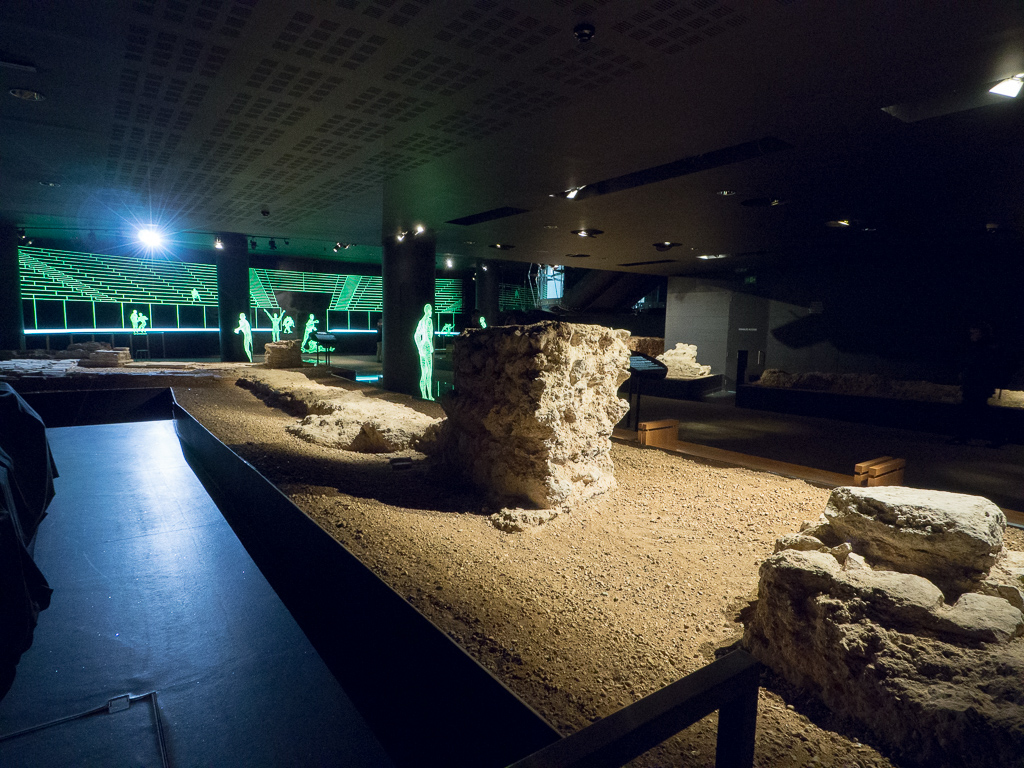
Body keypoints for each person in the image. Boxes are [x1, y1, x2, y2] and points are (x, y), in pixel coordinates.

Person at [955, 322, 1002, 445]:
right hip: (977, 384)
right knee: (976, 410)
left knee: (975, 410)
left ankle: (965, 436)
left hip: (978, 384)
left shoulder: (984, 349)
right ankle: (995, 437)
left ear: (981, 334)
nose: (972, 335)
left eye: (974, 332)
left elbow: (979, 367)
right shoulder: (984, 348)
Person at [414, 303, 434, 400]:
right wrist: (429, 346)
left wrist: (419, 346)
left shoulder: (421, 321)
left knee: (424, 372)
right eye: (431, 310)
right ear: (428, 310)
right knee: (428, 372)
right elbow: (428, 335)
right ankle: (428, 395)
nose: (431, 312)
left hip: (422, 347)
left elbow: (416, 335)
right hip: (426, 347)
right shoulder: (428, 321)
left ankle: (424, 395)